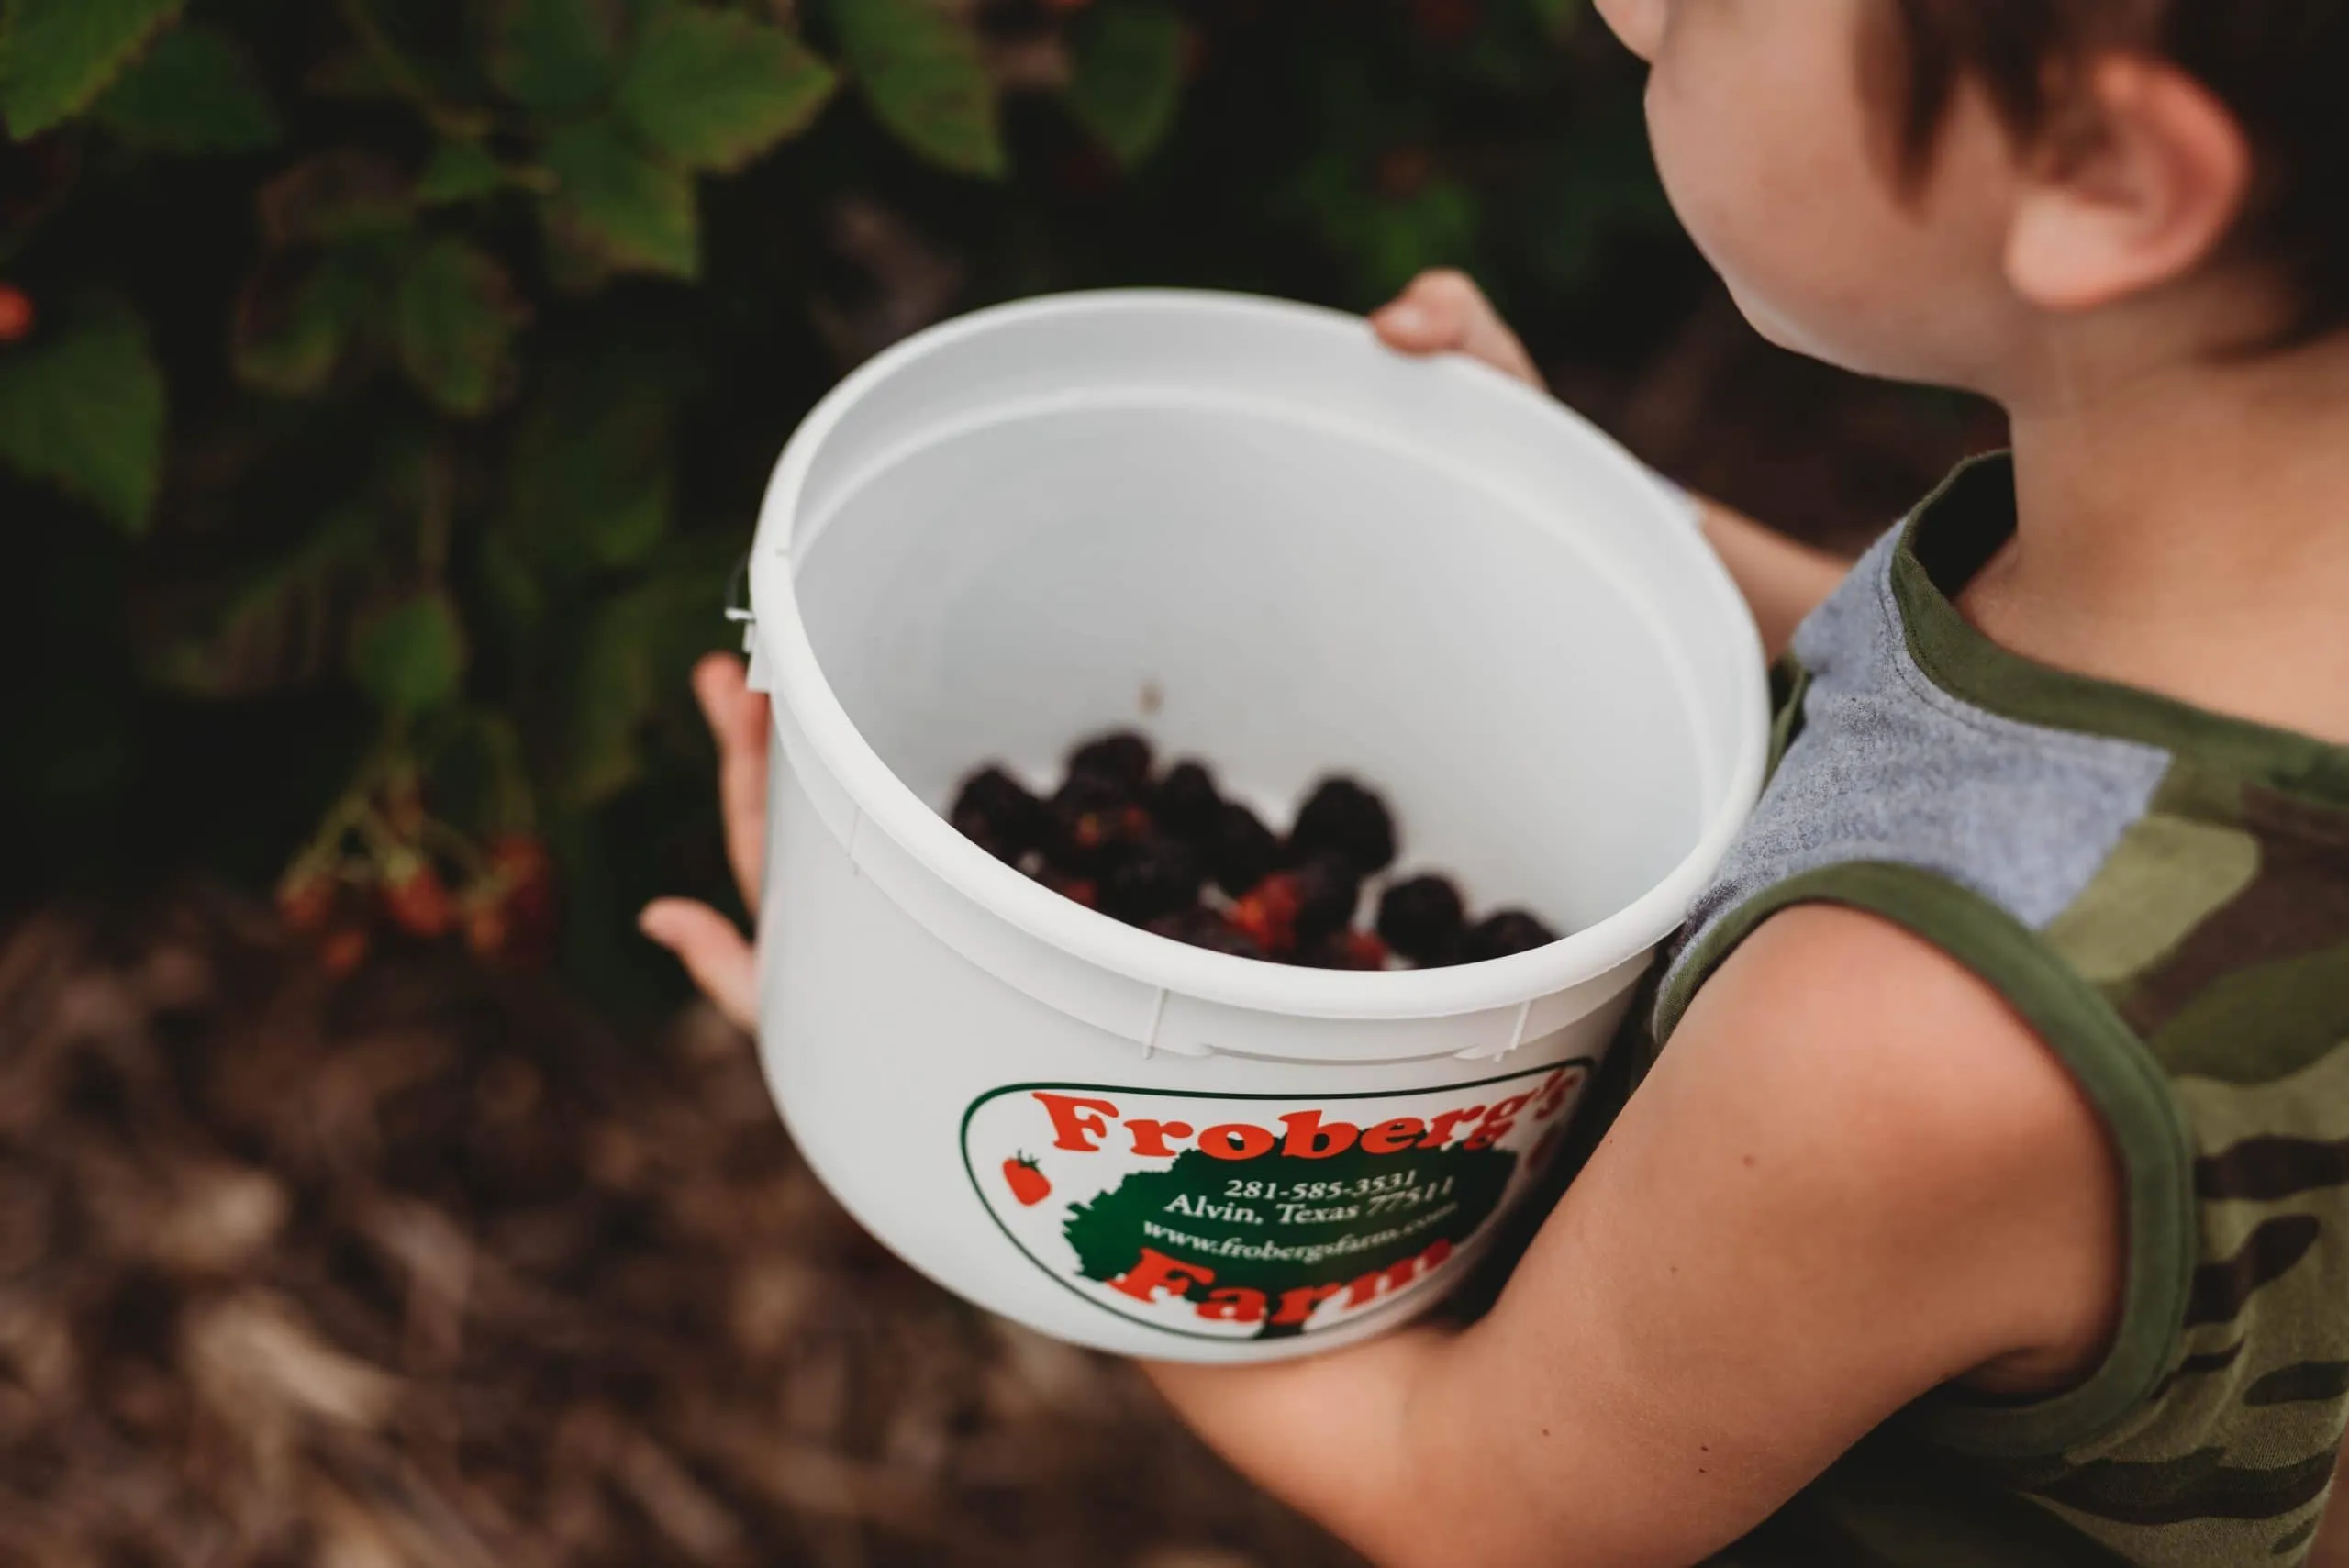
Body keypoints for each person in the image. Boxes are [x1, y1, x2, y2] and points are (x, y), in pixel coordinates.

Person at [640, 0, 2349, 1561]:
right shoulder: (2205, 567)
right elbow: (1927, 704)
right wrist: (1599, 526)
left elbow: (1476, 1497)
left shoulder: (1908, 1044)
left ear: (2107, 174)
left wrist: (922, 1079)